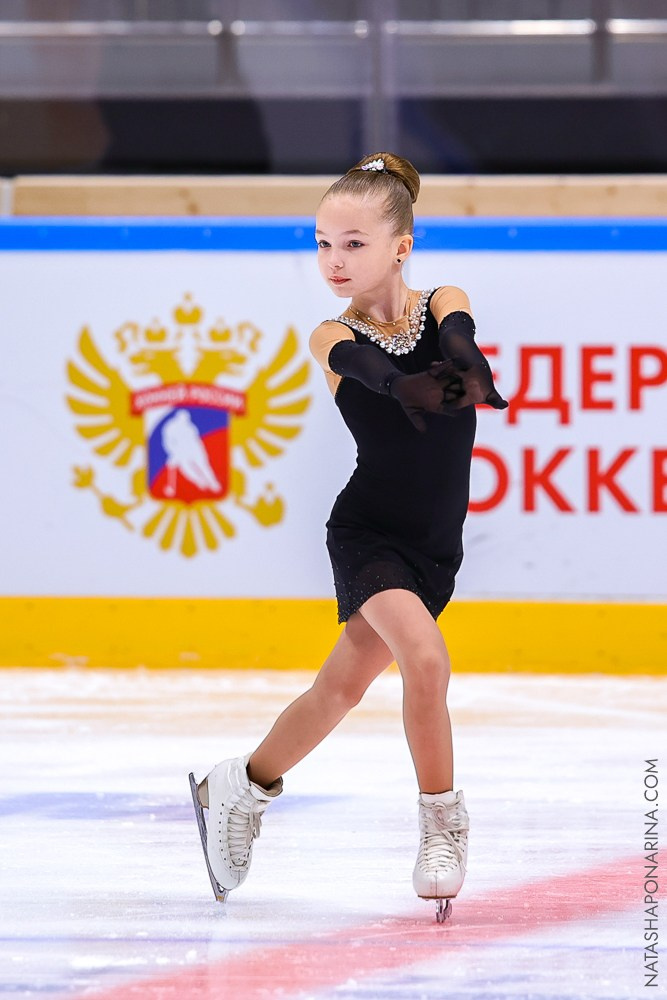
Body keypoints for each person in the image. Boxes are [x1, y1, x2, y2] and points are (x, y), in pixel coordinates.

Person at [190, 152, 507, 917]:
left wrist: (467, 370)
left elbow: (461, 347)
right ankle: (441, 826)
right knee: (424, 663)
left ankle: (239, 787)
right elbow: (377, 375)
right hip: (367, 532)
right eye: (323, 243)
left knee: (338, 688)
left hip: (436, 545)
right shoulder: (329, 334)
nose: (334, 261)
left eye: (354, 243)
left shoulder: (443, 299)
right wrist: (420, 385)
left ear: (401, 245)